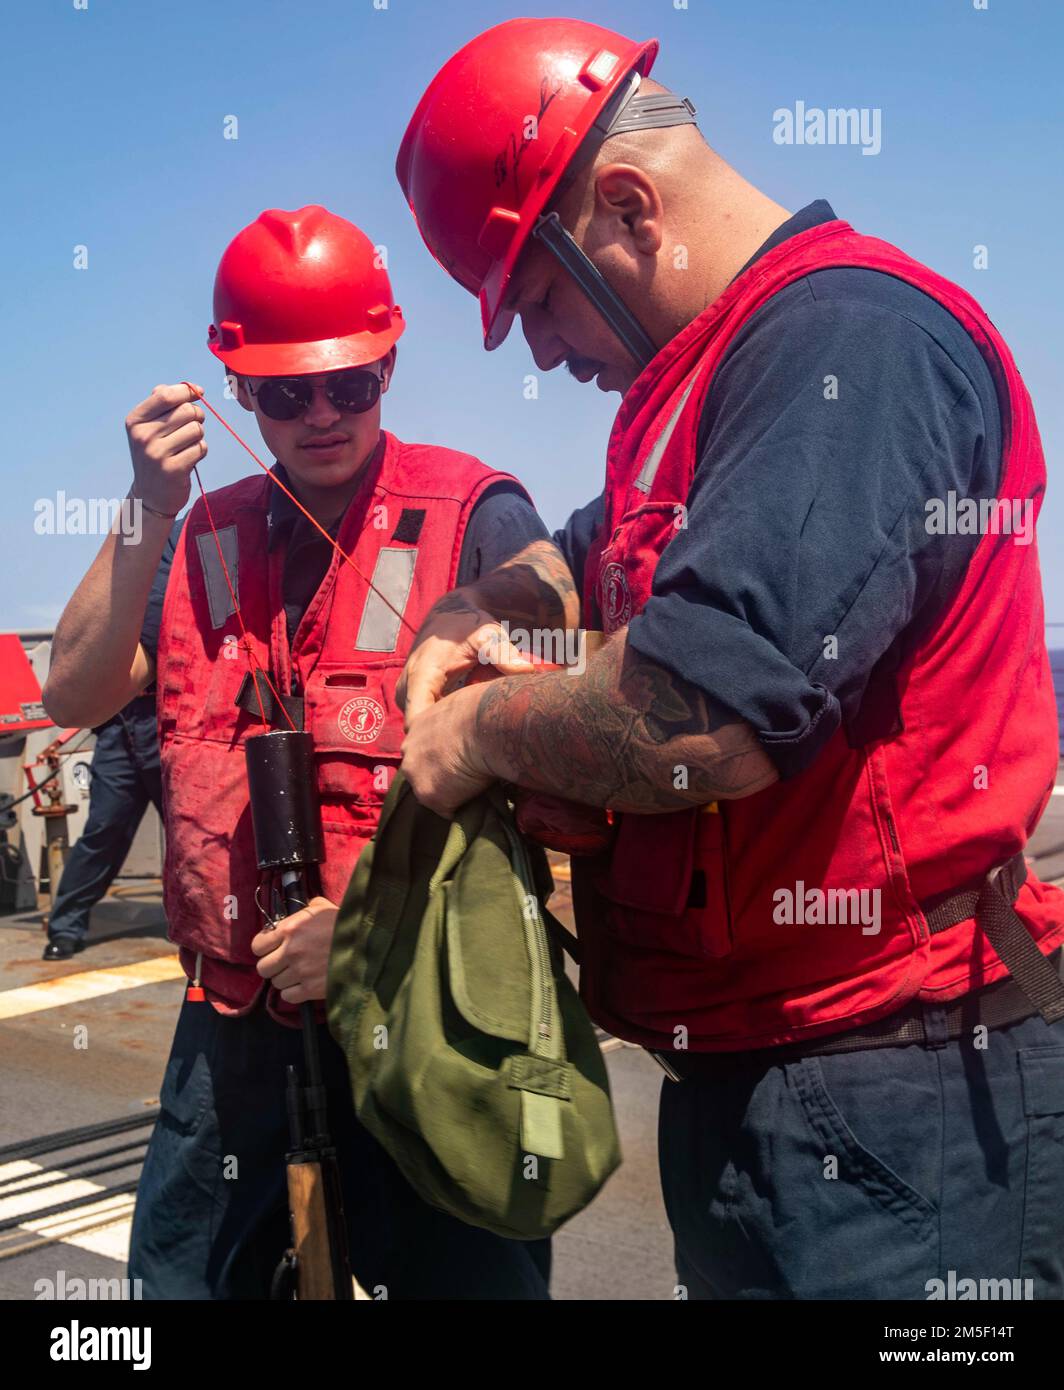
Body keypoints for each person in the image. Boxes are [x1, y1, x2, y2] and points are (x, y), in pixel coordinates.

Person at [393, 18, 1064, 1299]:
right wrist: (469, 606)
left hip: (898, 1087)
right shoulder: (690, 397)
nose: (538, 352)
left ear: (629, 205)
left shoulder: (844, 343)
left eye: (533, 299)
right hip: (756, 1081)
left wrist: (471, 733)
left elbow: (696, 717)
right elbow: (583, 556)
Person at [43, 204, 560, 1299]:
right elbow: (77, 689)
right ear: (238, 390)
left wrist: (374, 937)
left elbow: (562, 803)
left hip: (430, 1019)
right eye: (285, 394)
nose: (320, 414)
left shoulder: (479, 516)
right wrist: (147, 504)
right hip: (233, 1027)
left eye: (349, 384)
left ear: (386, 361)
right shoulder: (200, 536)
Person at [42, 691, 163, 960]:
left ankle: (216, 925)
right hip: (118, 722)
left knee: (188, 833)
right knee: (103, 828)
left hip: (171, 718)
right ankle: (66, 927)